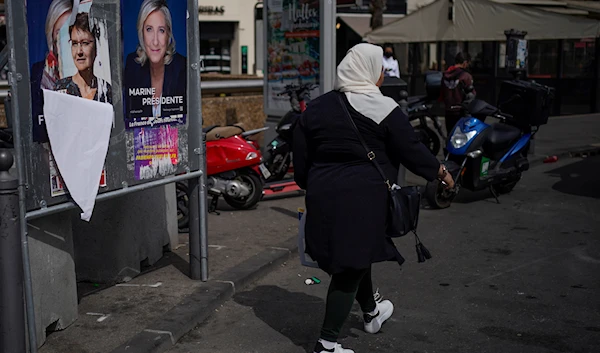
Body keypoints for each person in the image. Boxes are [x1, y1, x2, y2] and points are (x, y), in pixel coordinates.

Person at [293, 43, 455, 353]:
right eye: (379, 67)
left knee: (355, 256)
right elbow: (412, 149)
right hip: (362, 201)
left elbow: (301, 158)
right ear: (368, 71)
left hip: (323, 197)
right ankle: (326, 344)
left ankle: (372, 311)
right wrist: (440, 172)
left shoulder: (316, 108)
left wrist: (310, 184)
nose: (382, 73)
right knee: (350, 267)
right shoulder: (384, 108)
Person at [123, 0, 187, 118]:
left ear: (168, 35)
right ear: (141, 33)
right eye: (149, 29)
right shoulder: (132, 66)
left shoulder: (182, 68)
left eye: (161, 30)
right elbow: (130, 120)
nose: (155, 41)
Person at [30, 0, 73, 142]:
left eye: (70, 30)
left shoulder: (94, 71)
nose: (65, 38)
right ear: (52, 35)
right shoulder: (38, 72)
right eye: (60, 32)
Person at [54, 12, 112, 103]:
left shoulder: (106, 91)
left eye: (85, 43)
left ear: (96, 47)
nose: (79, 51)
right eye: (74, 44)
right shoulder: (60, 90)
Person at [440, 52, 474, 135]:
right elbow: (471, 95)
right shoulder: (466, 76)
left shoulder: (445, 75)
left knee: (450, 135)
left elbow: (442, 92)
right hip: (461, 112)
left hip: (448, 111)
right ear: (465, 63)